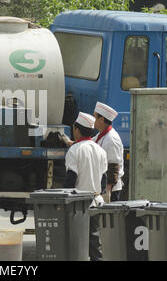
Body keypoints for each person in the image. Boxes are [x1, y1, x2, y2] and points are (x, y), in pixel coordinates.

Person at [62, 112, 108, 261]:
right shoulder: (100, 150)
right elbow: (103, 180)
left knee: (76, 243)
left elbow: (70, 180)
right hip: (96, 200)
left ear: (76, 129)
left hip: (78, 205)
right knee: (95, 243)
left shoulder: (74, 150)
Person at [92, 102, 124, 202]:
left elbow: (114, 166)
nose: (93, 120)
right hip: (102, 185)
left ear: (101, 120)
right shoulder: (101, 134)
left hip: (110, 188)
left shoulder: (111, 139)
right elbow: (90, 142)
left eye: (95, 117)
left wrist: (107, 191)